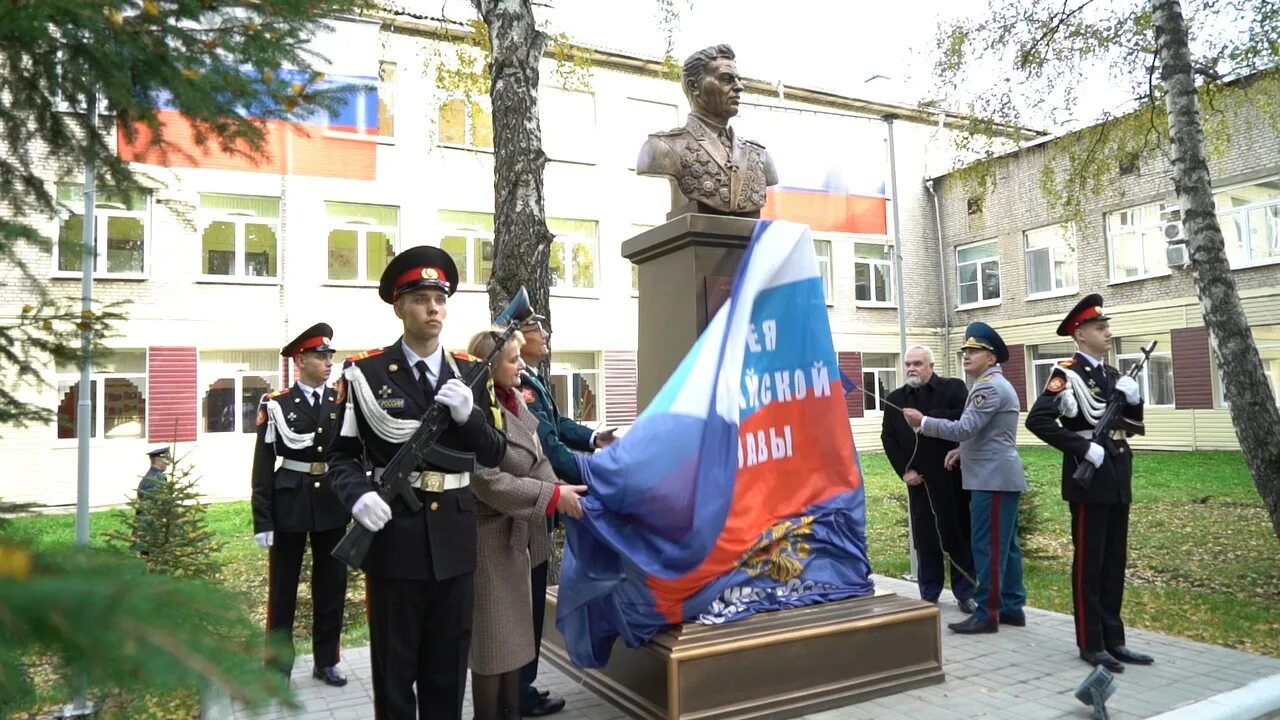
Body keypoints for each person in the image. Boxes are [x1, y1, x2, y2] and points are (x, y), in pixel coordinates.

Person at [326, 246, 506, 720]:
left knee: (447, 672)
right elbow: (340, 455)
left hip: (454, 543)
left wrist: (468, 415)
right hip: (395, 542)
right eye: (422, 298)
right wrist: (358, 495)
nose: (433, 308)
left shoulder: (470, 371)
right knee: (395, 671)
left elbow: (494, 451)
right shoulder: (364, 373)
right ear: (399, 306)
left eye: (440, 299)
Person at [1025, 294, 1152, 674]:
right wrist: (1082, 447)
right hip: (1089, 474)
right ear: (1080, 334)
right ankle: (1091, 643)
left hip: (1116, 473)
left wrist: (1135, 400)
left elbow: (1129, 424)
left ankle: (1115, 640)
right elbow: (1038, 420)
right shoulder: (1067, 373)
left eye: (1106, 326)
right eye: (1100, 328)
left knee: (1114, 561)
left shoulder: (1113, 375)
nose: (1107, 333)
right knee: (1090, 564)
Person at [465, 328, 588, 720]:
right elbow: (485, 480)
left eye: (520, 357)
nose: (522, 366)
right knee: (492, 646)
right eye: (513, 359)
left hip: (524, 537)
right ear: (489, 366)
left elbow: (539, 461)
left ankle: (512, 710)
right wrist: (552, 497)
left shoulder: (516, 399)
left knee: (517, 641)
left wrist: (563, 490)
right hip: (491, 539)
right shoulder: (474, 411)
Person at [515, 312, 615, 717]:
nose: (545, 334)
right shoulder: (522, 386)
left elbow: (558, 426)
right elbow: (549, 447)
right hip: (529, 506)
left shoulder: (533, 378)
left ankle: (523, 685)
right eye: (537, 330)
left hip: (540, 502)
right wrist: (595, 473)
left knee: (533, 597)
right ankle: (519, 689)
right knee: (525, 600)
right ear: (518, 339)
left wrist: (594, 438)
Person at [903, 322, 1027, 634]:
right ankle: (1012, 606)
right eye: (965, 350)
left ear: (991, 357)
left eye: (974, 351)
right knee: (1007, 547)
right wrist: (963, 451)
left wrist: (924, 422)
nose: (966, 355)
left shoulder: (986, 387)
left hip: (991, 479)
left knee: (987, 547)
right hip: (998, 474)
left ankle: (987, 613)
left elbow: (964, 427)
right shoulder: (993, 385)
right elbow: (986, 435)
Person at [249, 323, 351, 687]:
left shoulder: (341, 402)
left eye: (330, 356)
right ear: (300, 360)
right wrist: (262, 520)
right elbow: (263, 466)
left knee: (332, 585)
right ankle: (277, 668)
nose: (328, 363)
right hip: (289, 502)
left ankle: (327, 660)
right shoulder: (276, 404)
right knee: (283, 590)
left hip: (332, 503)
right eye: (321, 356)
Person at [880, 345, 976, 613]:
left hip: (951, 475)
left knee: (958, 532)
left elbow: (964, 420)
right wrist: (904, 471)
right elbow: (888, 437)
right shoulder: (897, 398)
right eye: (908, 364)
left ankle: (965, 592)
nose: (911, 368)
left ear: (931, 366)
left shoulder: (953, 389)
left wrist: (925, 419)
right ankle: (929, 593)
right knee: (925, 537)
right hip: (919, 480)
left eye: (918, 363)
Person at [636, 44, 779, 217]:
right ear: (694, 86)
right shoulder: (662, 148)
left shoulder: (759, 156)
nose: (739, 87)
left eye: (738, 79)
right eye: (726, 79)